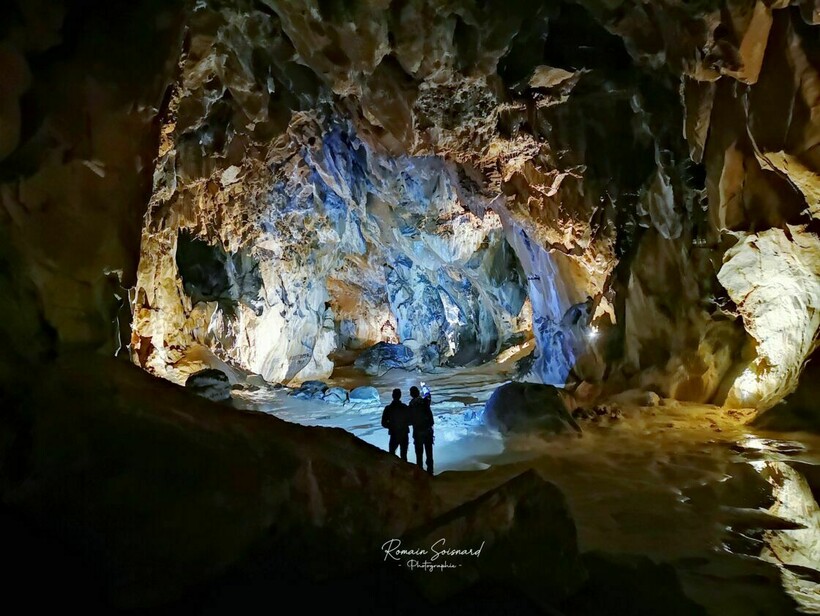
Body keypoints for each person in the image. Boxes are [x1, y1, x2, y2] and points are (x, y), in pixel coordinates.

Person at [409, 385, 434, 475]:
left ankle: (420, 473)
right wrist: (424, 387)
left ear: (411, 394)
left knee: (419, 454)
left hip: (417, 432)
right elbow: (428, 396)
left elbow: (409, 419)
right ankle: (430, 472)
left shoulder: (411, 405)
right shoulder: (424, 401)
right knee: (429, 453)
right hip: (427, 431)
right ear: (418, 393)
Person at [381, 388, 410, 461]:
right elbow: (410, 420)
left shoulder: (388, 408)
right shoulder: (404, 407)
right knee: (404, 455)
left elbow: (383, 423)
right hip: (404, 433)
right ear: (400, 395)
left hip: (394, 433)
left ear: (392, 395)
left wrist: (391, 426)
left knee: (392, 455)